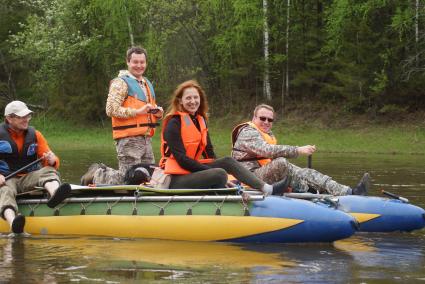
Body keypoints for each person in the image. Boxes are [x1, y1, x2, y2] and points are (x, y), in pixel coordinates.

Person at [159, 80, 290, 194]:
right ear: (180, 101)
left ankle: (267, 188)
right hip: (175, 178)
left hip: (191, 171)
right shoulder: (174, 124)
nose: (193, 101)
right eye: (188, 98)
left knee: (227, 161)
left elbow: (209, 153)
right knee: (220, 174)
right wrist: (214, 172)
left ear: (200, 99)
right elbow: (182, 160)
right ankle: (221, 188)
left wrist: (216, 168)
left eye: (196, 97)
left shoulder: (200, 121)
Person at [231, 104, 370, 196]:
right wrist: (297, 150)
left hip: (264, 174)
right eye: (262, 118)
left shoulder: (267, 134)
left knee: (307, 172)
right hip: (248, 178)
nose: (267, 122)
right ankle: (310, 191)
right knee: (281, 163)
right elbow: (267, 150)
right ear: (254, 118)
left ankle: (350, 192)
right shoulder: (247, 132)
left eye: (270, 119)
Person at [81, 46, 163, 185]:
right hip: (128, 139)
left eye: (142, 62)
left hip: (146, 139)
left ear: (146, 63)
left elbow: (146, 111)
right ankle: (97, 174)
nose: (139, 65)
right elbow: (111, 109)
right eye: (135, 62)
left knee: (148, 176)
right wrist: (137, 112)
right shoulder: (120, 83)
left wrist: (158, 113)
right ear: (128, 62)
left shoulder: (147, 83)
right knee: (130, 178)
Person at [0, 101, 71, 234]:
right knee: (5, 191)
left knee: (49, 170)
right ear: (9, 118)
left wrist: (52, 160)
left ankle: (55, 194)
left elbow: (52, 162)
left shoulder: (35, 135)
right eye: (21, 117)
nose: (26, 119)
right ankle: (13, 223)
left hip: (28, 178)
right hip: (7, 180)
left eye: (28, 116)